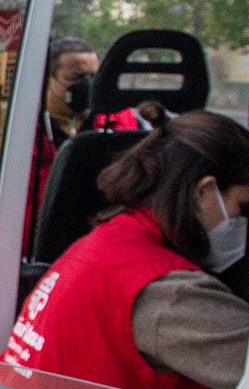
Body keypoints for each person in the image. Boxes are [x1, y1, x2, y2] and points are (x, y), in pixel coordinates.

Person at [0, 111, 249, 389]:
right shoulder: (171, 293)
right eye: (242, 206)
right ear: (205, 192)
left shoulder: (109, 241)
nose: (245, 222)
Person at [24, 36, 156, 254]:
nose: (87, 86)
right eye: (77, 77)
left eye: (93, 77)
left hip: (99, 241)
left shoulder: (120, 123)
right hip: (40, 242)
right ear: (48, 79)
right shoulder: (24, 128)